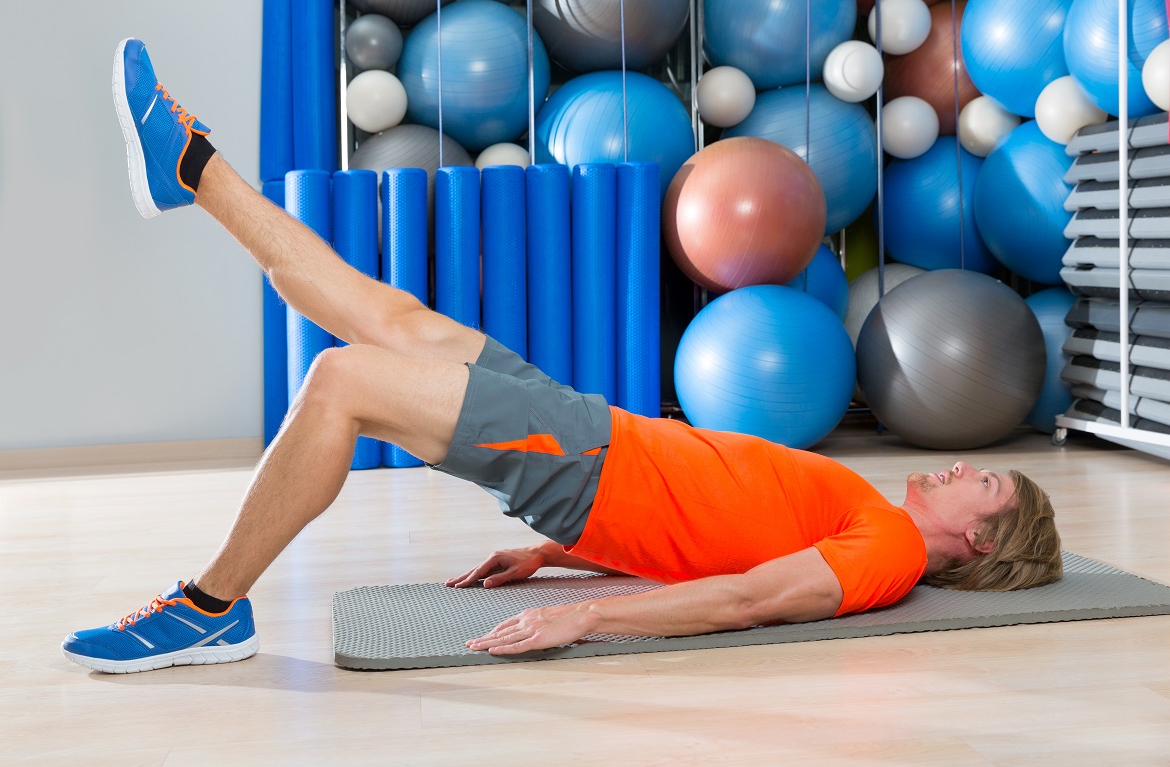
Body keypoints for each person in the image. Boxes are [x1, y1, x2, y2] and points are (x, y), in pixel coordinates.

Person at [61, 39, 1063, 674]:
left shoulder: (889, 554)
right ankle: (190, 162)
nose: (969, 466)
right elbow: (726, 533)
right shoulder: (875, 521)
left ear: (981, 540)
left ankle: (208, 609)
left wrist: (588, 620)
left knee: (342, 379)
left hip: (584, 460)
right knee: (383, 314)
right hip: (591, 442)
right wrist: (561, 557)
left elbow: (750, 600)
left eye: (989, 485)